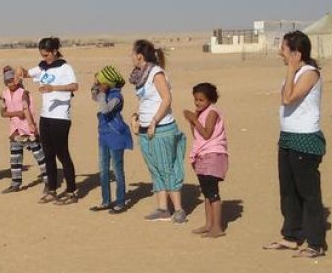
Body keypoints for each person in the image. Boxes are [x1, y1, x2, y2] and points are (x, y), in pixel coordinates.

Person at [264, 31, 327, 258]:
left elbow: (289, 98)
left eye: (284, 49)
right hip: (288, 137)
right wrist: (290, 71)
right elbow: (285, 96)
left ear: (296, 53)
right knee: (288, 191)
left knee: (308, 194)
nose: (280, 52)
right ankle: (291, 236)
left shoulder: (310, 73)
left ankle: (316, 243)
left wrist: (291, 69)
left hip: (305, 139)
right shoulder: (294, 73)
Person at [130, 40, 186, 222]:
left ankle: (178, 209)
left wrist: (155, 120)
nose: (130, 57)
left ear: (140, 55)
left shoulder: (156, 73)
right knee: (155, 168)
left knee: (167, 167)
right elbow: (144, 101)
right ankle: (162, 208)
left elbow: (167, 98)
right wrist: (136, 118)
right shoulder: (140, 76)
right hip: (146, 130)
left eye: (132, 53)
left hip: (161, 129)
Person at [23, 37, 78, 204]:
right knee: (48, 155)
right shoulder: (43, 67)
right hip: (45, 116)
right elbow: (27, 73)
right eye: (42, 55)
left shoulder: (64, 67)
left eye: (47, 55)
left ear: (54, 51)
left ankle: (71, 191)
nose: (44, 58)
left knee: (62, 154)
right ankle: (52, 189)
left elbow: (74, 86)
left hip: (60, 118)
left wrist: (54, 88)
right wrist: (20, 71)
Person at [184, 82, 228, 237]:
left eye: (201, 100)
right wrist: (192, 120)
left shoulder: (212, 112)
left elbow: (207, 134)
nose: (197, 103)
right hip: (202, 155)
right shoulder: (201, 113)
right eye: (196, 100)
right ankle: (208, 224)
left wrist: (193, 119)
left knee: (213, 193)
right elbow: (197, 135)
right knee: (207, 193)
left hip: (213, 155)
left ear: (210, 99)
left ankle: (217, 227)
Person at [90, 65, 131, 213]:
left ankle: (120, 202)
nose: (99, 84)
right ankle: (106, 201)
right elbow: (94, 95)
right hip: (104, 136)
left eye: (101, 81)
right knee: (103, 170)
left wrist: (101, 92)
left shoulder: (116, 97)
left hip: (116, 136)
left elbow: (105, 109)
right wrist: (95, 85)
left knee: (117, 170)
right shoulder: (104, 92)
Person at [0, 66, 46, 194]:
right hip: (15, 130)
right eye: (8, 81)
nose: (11, 83)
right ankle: (16, 182)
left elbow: (26, 110)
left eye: (13, 80)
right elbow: (2, 112)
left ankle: (48, 180)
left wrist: (31, 125)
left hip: (27, 129)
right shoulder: (3, 94)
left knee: (39, 155)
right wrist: (16, 113)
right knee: (15, 157)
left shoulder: (23, 92)